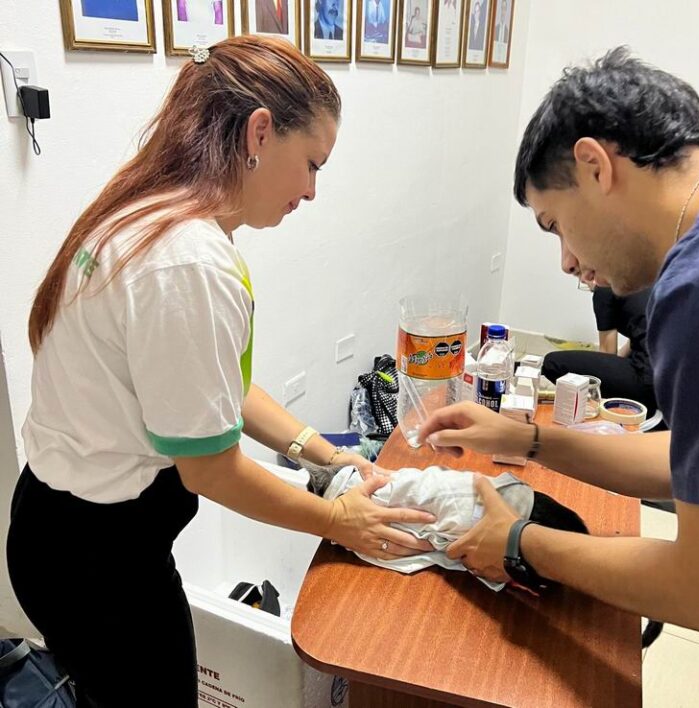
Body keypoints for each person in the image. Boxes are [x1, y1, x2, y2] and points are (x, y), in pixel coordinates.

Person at [6, 36, 435, 707]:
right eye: (312, 165)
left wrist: (325, 459)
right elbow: (209, 468)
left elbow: (220, 393)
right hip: (97, 558)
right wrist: (338, 521)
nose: (312, 192)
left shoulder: (149, 215)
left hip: (53, 525)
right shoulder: (189, 262)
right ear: (260, 132)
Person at [419, 48, 699, 707]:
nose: (565, 259)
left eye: (555, 224)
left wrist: (518, 543)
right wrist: (527, 442)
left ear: (595, 165)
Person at [542, 284, 657, 414]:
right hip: (671, 378)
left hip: (648, 381)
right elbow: (636, 339)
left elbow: (608, 353)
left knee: (552, 363)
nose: (584, 280)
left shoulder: (604, 288)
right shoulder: (645, 283)